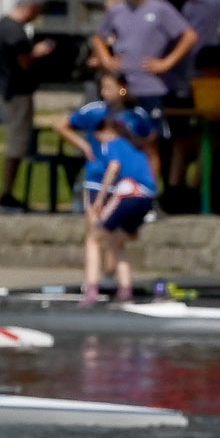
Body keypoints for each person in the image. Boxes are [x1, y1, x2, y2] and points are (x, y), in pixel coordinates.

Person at [88, 0, 197, 147]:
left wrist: (167, 63)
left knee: (151, 139)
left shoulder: (160, 8)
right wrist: (107, 60)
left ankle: (151, 175)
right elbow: (99, 38)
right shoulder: (117, 11)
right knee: (122, 134)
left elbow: (189, 36)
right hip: (124, 87)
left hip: (152, 88)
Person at [164, 0, 220, 197]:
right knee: (174, 140)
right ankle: (174, 191)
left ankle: (196, 190)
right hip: (171, 87)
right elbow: (124, 89)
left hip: (203, 82)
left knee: (206, 137)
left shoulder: (213, 2)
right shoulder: (168, 2)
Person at [0, 0, 56, 213]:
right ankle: (6, 193)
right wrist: (38, 52)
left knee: (18, 141)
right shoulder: (16, 34)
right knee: (17, 144)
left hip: (5, 90)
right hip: (17, 93)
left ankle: (8, 193)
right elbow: (25, 63)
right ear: (29, 7)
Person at [83, 116, 159, 303]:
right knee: (117, 241)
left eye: (99, 135)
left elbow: (114, 167)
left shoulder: (112, 144)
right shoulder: (136, 147)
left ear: (107, 131)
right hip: (147, 198)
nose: (99, 140)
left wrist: (100, 199)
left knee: (94, 238)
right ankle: (125, 289)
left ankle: (91, 289)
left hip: (129, 194)